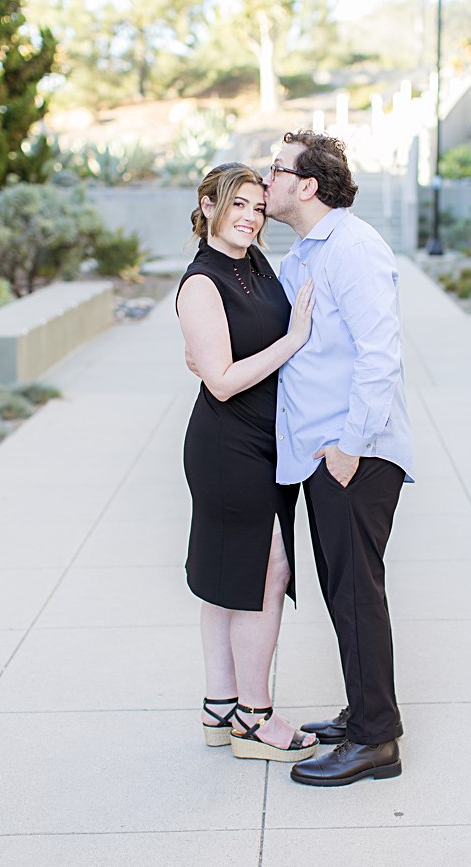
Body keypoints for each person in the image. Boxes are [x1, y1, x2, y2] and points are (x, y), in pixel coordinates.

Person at [260, 131, 416, 787]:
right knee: (343, 592)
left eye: (276, 168)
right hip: (325, 452)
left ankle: (377, 741)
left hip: (354, 451)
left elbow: (381, 353)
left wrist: (350, 445)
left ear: (308, 185)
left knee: (355, 594)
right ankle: (364, 713)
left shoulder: (352, 248)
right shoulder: (308, 251)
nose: (266, 179)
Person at [176, 162, 320, 764]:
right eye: (238, 205)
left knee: (226, 580)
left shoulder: (253, 262)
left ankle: (219, 707)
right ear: (209, 205)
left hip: (258, 439)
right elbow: (224, 380)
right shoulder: (202, 282)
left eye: (259, 208)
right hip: (227, 445)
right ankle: (254, 719)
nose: (250, 218)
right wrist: (293, 341)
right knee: (267, 571)